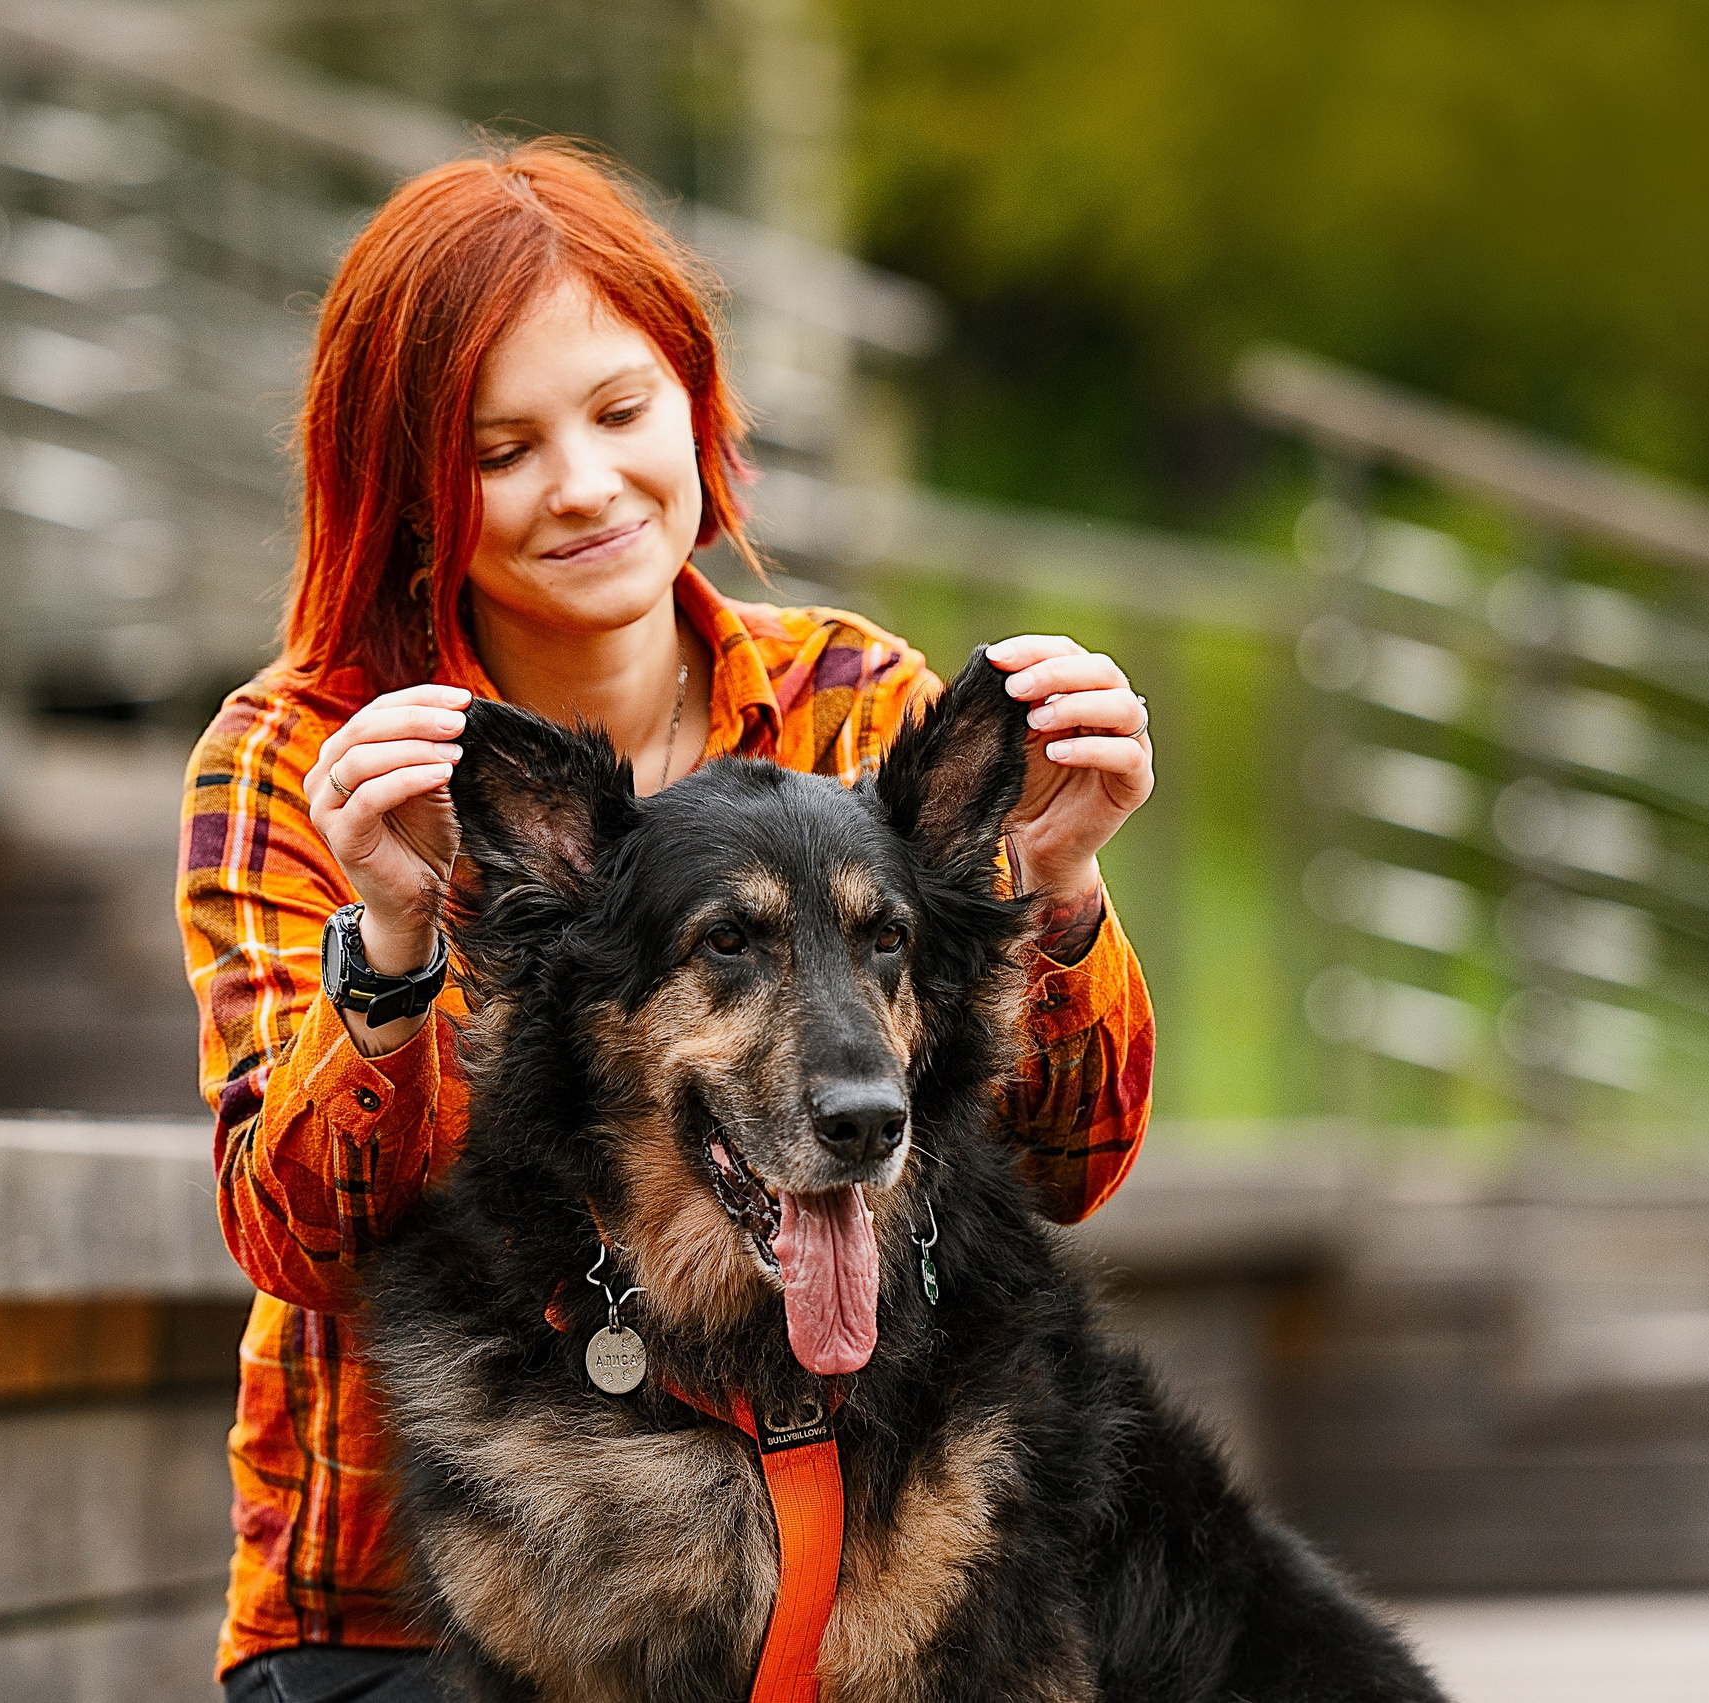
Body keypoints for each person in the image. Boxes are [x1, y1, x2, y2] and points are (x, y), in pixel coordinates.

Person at [176, 139, 1157, 1703]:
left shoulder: (860, 703)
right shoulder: (304, 760)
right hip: (413, 1606)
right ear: (412, 492)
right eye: (501, 451)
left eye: (623, 412)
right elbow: (288, 1233)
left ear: (696, 407)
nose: (583, 485)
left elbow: (1067, 1164)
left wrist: (1064, 882)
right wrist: (395, 948)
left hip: (832, 1566)